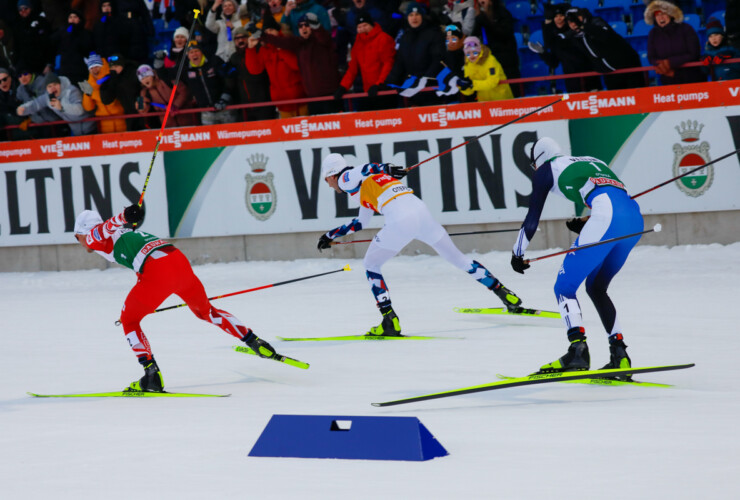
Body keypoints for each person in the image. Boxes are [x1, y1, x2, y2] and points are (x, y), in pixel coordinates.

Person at [72, 205, 276, 392]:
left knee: (129, 320)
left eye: (77, 236)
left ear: (84, 231)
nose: (79, 242)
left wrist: (124, 215)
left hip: (157, 272)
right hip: (178, 261)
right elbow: (113, 233)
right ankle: (254, 341)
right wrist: (127, 219)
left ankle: (151, 375)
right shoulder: (121, 233)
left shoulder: (94, 237)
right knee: (207, 312)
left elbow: (100, 231)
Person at [317, 153, 522, 336]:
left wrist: (385, 167)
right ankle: (504, 294)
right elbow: (361, 222)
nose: (329, 184)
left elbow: (363, 168)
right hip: (421, 213)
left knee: (371, 264)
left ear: (333, 174)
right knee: (458, 259)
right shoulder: (362, 187)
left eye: (327, 179)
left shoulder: (345, 178)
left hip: (400, 220)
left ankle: (389, 320)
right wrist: (329, 235)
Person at [510, 137, 643, 376]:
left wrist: (517, 252)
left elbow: (532, 219)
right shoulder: (594, 160)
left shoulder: (546, 169)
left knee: (564, 286)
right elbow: (613, 198)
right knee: (596, 287)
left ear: (539, 158)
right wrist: (585, 222)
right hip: (634, 220)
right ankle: (620, 355)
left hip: (606, 218)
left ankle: (577, 351)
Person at [260, 11, 339, 115]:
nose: (304, 28)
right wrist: (262, 36)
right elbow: (282, 42)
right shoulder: (299, 43)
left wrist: (317, 26)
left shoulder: (322, 41)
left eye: (307, 25)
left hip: (329, 94)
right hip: (311, 96)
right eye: (300, 26)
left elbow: (323, 37)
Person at [565, 7, 644, 90]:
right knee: (616, 100)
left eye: (576, 19)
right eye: (570, 22)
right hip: (609, 72)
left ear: (583, 16)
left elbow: (604, 35)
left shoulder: (596, 22)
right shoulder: (574, 37)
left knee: (637, 98)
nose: (574, 24)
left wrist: (583, 26)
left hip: (628, 66)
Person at [531, 2, 602, 93]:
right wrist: (542, 52)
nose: (558, 19)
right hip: (572, 83)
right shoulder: (555, 40)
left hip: (589, 78)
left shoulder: (576, 32)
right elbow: (554, 63)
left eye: (561, 15)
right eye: (555, 16)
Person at [383, 2, 444, 107]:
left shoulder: (434, 34)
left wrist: (426, 78)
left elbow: (438, 59)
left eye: (417, 14)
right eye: (411, 15)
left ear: (422, 16)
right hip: (413, 90)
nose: (414, 18)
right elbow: (399, 63)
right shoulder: (405, 37)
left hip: (431, 89)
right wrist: (388, 83)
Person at [245, 15, 307, 119]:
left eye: (271, 30)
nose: (268, 33)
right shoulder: (265, 49)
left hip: (300, 100)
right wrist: (251, 49)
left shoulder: (289, 43)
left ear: (278, 31)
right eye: (266, 31)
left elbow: (297, 66)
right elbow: (255, 70)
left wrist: (281, 50)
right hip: (282, 102)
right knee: (288, 134)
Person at [334, 11, 395, 111]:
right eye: (359, 27)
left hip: (384, 91)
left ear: (371, 25)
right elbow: (352, 69)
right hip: (369, 92)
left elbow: (388, 64)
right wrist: (343, 87)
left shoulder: (383, 38)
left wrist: (379, 84)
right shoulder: (357, 44)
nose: (362, 29)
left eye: (365, 25)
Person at [645, 0, 705, 86]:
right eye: (657, 15)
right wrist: (663, 67)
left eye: (663, 14)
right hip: (668, 81)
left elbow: (694, 53)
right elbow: (651, 57)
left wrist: (670, 62)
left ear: (670, 14)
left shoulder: (686, 29)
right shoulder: (653, 33)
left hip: (691, 78)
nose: (661, 17)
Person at [17, 71, 95, 136]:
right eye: (49, 86)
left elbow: (80, 110)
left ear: (60, 84)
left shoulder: (71, 91)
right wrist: (23, 109)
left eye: (55, 85)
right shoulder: (48, 97)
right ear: (47, 89)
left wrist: (61, 107)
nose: (53, 88)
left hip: (92, 127)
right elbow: (36, 104)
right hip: (76, 132)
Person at [471, 0, 520, 97]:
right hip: (490, 61)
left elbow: (504, 35)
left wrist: (485, 20)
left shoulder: (503, 13)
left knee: (511, 94)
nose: (481, 1)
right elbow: (474, 37)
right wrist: (479, 18)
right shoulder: (481, 17)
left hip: (507, 61)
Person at [182, 40, 236, 125]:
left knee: (231, 136)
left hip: (225, 109)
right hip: (207, 113)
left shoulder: (214, 61)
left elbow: (231, 76)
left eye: (196, 51)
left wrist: (225, 98)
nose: (194, 54)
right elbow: (168, 75)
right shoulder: (186, 69)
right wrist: (159, 65)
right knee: (212, 138)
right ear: (188, 56)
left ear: (201, 52)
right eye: (191, 52)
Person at [227, 25, 274, 121]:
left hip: (263, 102)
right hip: (245, 105)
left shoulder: (258, 50)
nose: (240, 41)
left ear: (248, 39)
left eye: (243, 37)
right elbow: (231, 79)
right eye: (237, 38)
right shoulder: (234, 57)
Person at [136, 63, 197, 127]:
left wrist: (175, 105)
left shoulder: (166, 79)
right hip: (168, 127)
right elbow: (141, 111)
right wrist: (141, 106)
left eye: (147, 76)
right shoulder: (143, 92)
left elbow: (184, 90)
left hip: (187, 121)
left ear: (153, 75)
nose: (145, 80)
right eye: (142, 79)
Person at [80, 53, 127, 133]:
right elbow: (88, 108)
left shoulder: (112, 77)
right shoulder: (87, 85)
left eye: (97, 66)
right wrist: (88, 94)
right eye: (91, 68)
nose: (94, 70)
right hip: (104, 124)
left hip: (122, 120)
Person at [458, 35, 513, 101]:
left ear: (479, 51)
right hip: (484, 101)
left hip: (501, 99)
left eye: (475, 53)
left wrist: (472, 84)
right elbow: (470, 91)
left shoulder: (490, 60)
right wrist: (464, 87)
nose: (471, 56)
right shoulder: (468, 64)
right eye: (468, 54)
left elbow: (492, 82)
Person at [53, 9, 94, 88]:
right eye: (70, 17)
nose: (72, 19)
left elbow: (87, 47)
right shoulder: (63, 32)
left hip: (80, 70)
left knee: (87, 91)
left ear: (80, 19)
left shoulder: (85, 33)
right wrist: (65, 32)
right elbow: (53, 42)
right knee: (68, 92)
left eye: (75, 17)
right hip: (65, 70)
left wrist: (74, 33)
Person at [702, 17, 740, 82]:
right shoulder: (707, 52)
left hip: (734, 84)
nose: (713, 39)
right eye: (710, 36)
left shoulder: (732, 48)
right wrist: (705, 65)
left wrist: (730, 58)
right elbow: (705, 72)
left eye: (716, 35)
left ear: (722, 35)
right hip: (718, 86)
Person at [205, 0, 244, 64]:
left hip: (236, 56)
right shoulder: (220, 23)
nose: (227, 7)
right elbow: (209, 25)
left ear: (234, 8)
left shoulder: (240, 22)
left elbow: (242, 37)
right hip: (221, 57)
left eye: (230, 5)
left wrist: (233, 29)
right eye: (225, 6)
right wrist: (214, 7)